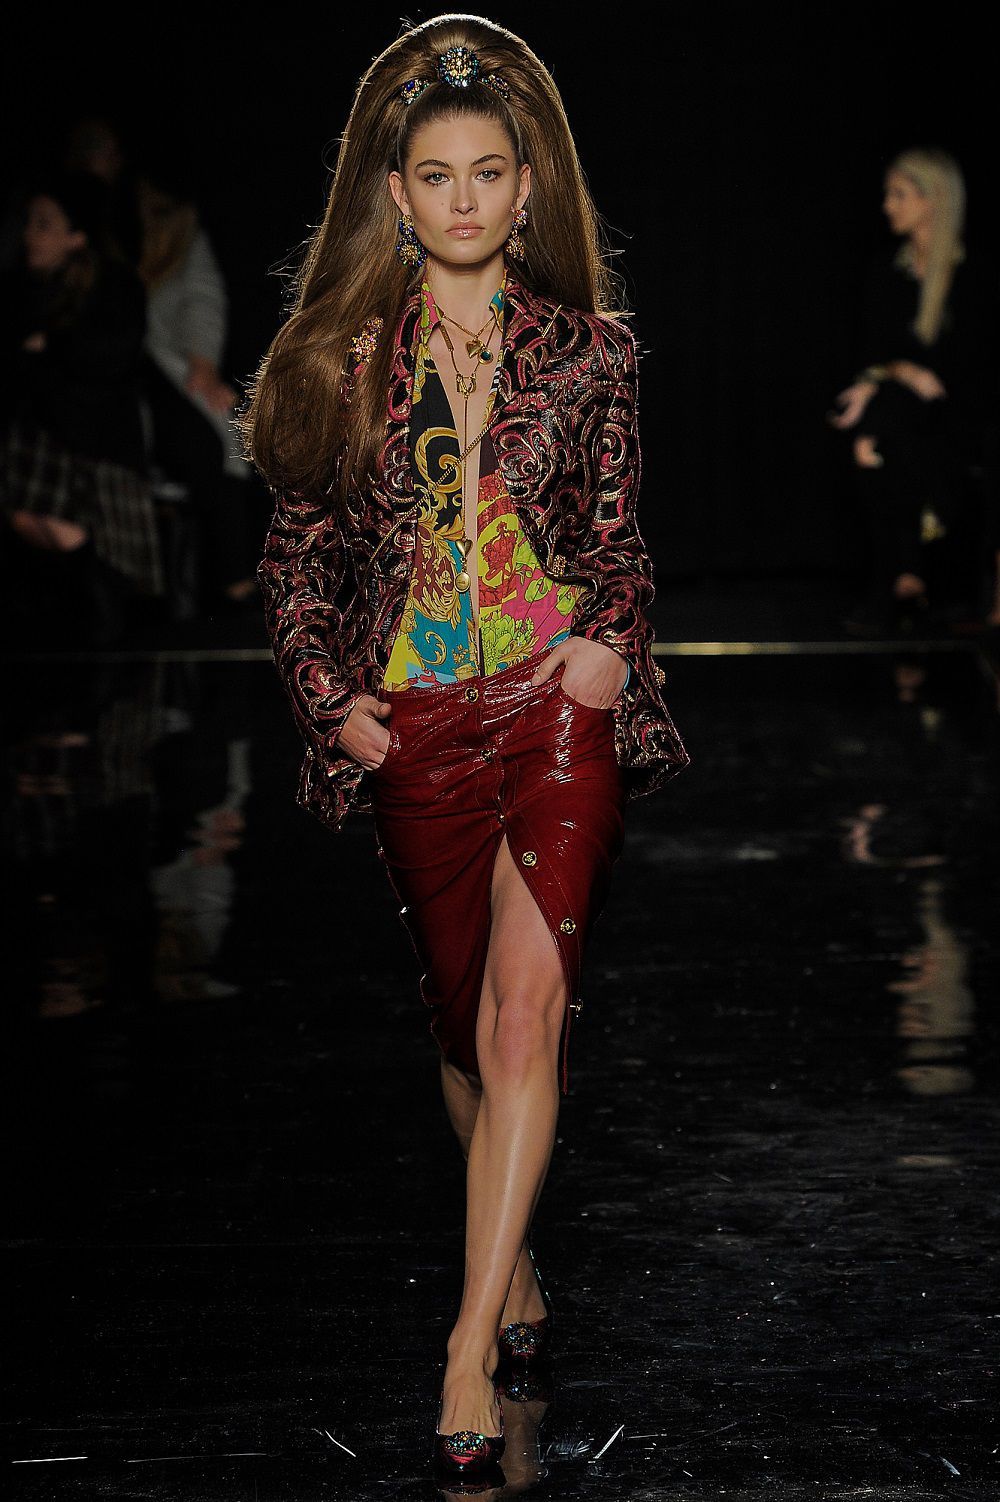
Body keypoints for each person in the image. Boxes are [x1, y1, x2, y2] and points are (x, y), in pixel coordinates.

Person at [241, 13, 690, 1481]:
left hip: (554, 709)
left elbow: (617, 541)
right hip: (417, 722)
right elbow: (296, 558)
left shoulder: (592, 352)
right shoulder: (338, 360)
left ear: (524, 185)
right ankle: (519, 1264)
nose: (463, 199)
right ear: (396, 194)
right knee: (461, 1037)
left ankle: (466, 1342)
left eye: (488, 171)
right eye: (434, 175)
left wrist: (607, 637)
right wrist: (331, 699)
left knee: (520, 1022)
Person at [831, 148, 994, 631]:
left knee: (877, 440)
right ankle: (911, 574)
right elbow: (873, 353)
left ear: (933, 200)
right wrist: (888, 376)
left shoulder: (974, 273)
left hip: (962, 405)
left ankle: (903, 575)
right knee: (880, 431)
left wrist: (893, 380)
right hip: (904, 407)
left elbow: (967, 368)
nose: (887, 205)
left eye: (899, 194)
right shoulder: (889, 270)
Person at [0, 170, 163, 643]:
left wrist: (49, 348)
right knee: (30, 519)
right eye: (29, 223)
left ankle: (112, 626)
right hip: (46, 441)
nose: (30, 235)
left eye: (44, 224)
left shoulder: (113, 286)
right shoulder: (25, 289)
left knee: (104, 567)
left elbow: (110, 357)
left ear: (77, 235)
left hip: (99, 445)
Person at [137, 164, 258, 610]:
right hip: (140, 389)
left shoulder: (188, 241)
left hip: (178, 383)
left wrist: (203, 366)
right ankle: (231, 586)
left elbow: (204, 302)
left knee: (221, 443)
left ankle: (238, 586)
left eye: (157, 208)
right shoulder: (125, 241)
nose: (149, 216)